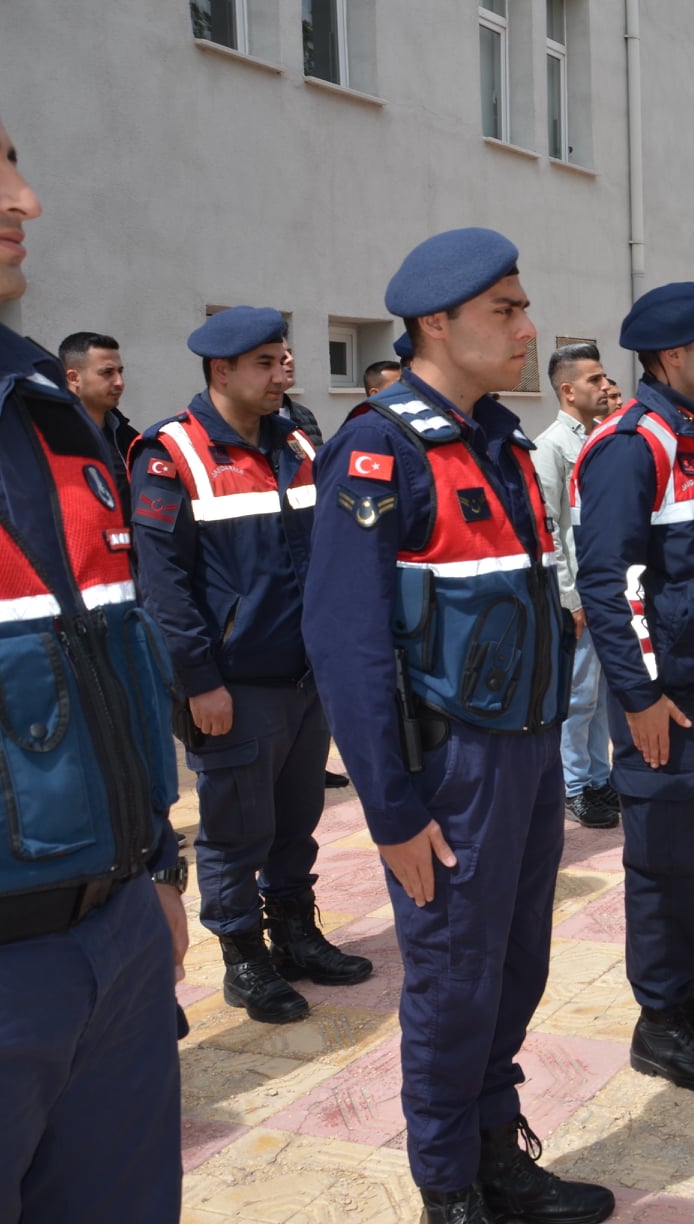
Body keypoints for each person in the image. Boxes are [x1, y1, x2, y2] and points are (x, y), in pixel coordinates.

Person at [302, 228, 610, 1224]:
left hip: (521, 754)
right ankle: (449, 1190)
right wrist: (390, 809)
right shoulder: (380, 447)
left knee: (514, 969)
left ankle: (494, 1152)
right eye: (506, 311)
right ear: (438, 323)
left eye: (522, 308)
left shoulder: (498, 441)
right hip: (451, 773)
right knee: (451, 983)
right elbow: (345, 644)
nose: (527, 328)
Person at [0, 114, 188, 1224]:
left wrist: (155, 866)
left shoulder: (49, 418)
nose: (25, 201)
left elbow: (110, 664)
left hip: (112, 941)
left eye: (17, 160)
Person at [130, 306, 372, 1026]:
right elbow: (163, 587)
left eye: (285, 357)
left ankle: (296, 933)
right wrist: (199, 680)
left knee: (298, 819)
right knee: (236, 830)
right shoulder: (172, 453)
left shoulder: (298, 436)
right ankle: (242, 955)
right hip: (233, 686)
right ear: (221, 371)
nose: (284, 371)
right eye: (266, 362)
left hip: (305, 676)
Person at [573, 282, 694, 1092]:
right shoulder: (635, 446)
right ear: (672, 356)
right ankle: (659, 1020)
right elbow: (608, 583)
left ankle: (692, 991)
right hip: (668, 700)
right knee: (663, 863)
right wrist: (638, 695)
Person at [535, 342, 621, 829]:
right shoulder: (551, 447)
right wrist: (569, 600)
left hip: (604, 589)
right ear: (567, 390)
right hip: (579, 597)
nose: (604, 386)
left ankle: (599, 776)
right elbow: (550, 529)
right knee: (577, 695)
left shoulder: (599, 437)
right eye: (594, 380)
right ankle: (574, 786)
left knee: (602, 693)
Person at [58, 330, 137, 479]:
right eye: (107, 373)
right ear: (73, 377)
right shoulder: (48, 438)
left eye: (120, 372)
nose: (119, 382)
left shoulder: (128, 438)